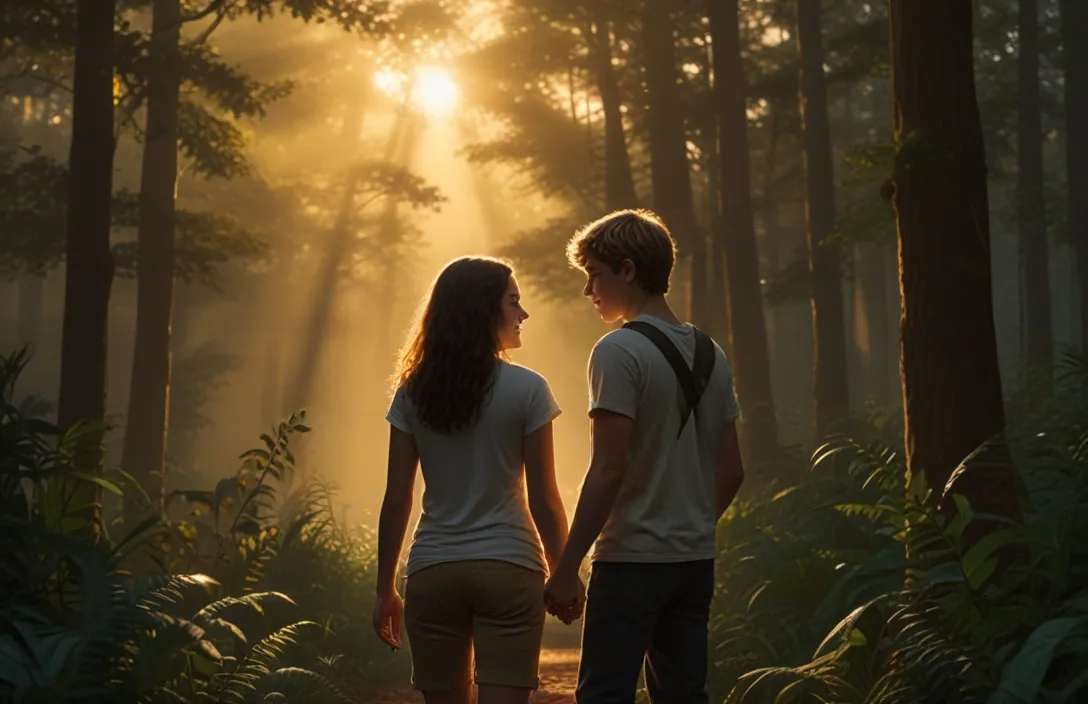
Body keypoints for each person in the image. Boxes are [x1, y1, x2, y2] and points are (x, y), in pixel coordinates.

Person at [544, 210, 746, 704]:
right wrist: (692, 524)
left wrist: (568, 567)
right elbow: (733, 471)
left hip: (632, 559)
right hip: (694, 561)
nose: (588, 289)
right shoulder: (712, 353)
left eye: (594, 274)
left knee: (604, 695)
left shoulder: (618, 351)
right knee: (683, 695)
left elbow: (608, 470)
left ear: (628, 270)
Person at [372, 256, 576, 704]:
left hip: (433, 572)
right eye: (514, 301)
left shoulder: (412, 393)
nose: (523, 314)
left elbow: (396, 498)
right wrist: (563, 572)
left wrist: (385, 587)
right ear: (484, 309)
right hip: (510, 567)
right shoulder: (528, 389)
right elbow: (544, 498)